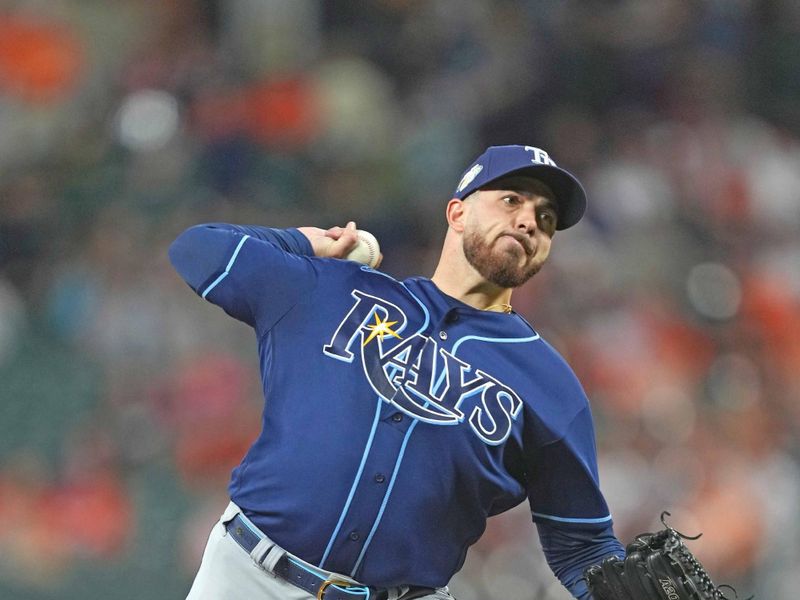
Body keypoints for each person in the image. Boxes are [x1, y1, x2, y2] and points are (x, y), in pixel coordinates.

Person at [169, 144, 625, 600]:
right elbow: (197, 249)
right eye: (512, 201)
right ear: (458, 213)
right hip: (248, 576)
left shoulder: (552, 387)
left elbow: (583, 545)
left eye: (546, 219)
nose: (529, 221)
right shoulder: (330, 288)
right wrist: (306, 242)